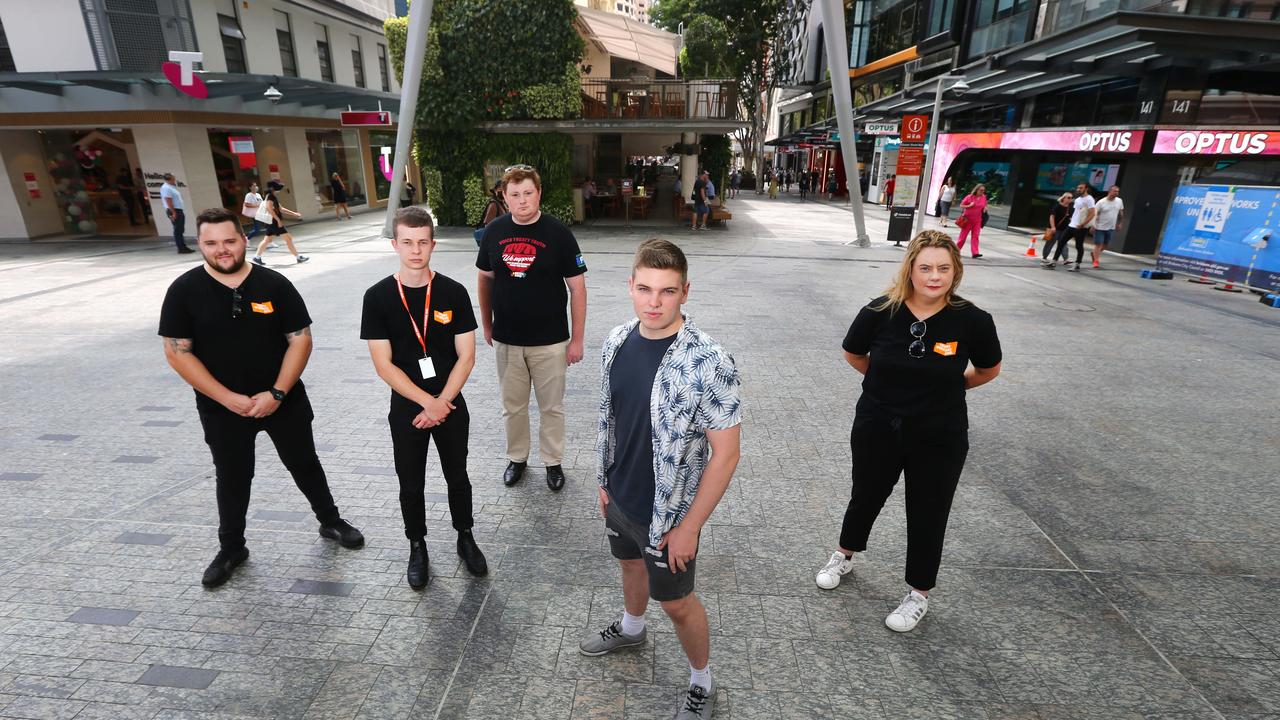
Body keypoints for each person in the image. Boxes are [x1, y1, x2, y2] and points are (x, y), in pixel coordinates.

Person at [159, 207, 364, 588]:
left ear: (244, 239)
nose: (222, 250)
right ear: (200, 244)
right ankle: (232, 547)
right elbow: (177, 352)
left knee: (304, 463)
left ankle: (330, 521)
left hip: (283, 400)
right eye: (211, 243)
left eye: (229, 241)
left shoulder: (274, 284)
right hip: (222, 409)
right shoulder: (184, 291)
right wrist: (228, 399)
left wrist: (277, 393)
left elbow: (300, 339)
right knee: (233, 476)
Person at [579, 239, 741, 720]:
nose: (654, 302)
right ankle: (632, 627)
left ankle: (702, 681)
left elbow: (726, 454)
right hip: (619, 497)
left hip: (668, 516)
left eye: (667, 291)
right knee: (629, 566)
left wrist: (688, 527)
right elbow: (613, 418)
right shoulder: (616, 341)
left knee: (677, 603)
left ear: (685, 292)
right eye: (645, 288)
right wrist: (603, 480)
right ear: (630, 286)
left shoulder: (710, 361)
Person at [815, 230, 1001, 632]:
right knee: (865, 494)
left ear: (956, 271)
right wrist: (886, 385)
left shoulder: (973, 320)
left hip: (941, 433)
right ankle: (843, 556)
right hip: (878, 424)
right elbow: (853, 353)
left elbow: (988, 369)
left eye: (944, 268)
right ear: (910, 270)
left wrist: (949, 388)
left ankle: (919, 594)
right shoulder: (881, 311)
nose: (934, 276)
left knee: (929, 510)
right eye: (925, 268)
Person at [362, 207, 487, 589]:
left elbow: (467, 355)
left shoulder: (453, 291)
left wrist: (442, 402)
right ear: (395, 244)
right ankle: (417, 545)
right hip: (407, 406)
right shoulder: (378, 297)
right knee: (410, 481)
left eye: (422, 242)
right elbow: (384, 365)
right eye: (407, 243)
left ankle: (465, 536)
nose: (416, 250)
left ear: (433, 243)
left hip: (450, 402)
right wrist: (426, 403)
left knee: (457, 475)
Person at [476, 165, 588, 492]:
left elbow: (577, 289)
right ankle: (517, 459)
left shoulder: (559, 234)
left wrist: (577, 339)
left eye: (528, 193)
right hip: (508, 340)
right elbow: (484, 279)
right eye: (515, 195)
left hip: (550, 341)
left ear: (539, 193)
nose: (522, 201)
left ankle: (553, 462)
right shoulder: (494, 232)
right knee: (513, 406)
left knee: (551, 406)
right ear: (504, 197)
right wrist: (487, 324)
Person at [252, 181, 306, 266]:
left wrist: (294, 214)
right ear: (273, 188)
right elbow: (269, 209)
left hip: (271, 222)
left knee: (267, 240)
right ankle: (298, 257)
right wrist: (278, 220)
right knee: (288, 239)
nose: (279, 189)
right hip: (274, 222)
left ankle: (257, 257)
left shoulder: (271, 196)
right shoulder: (270, 197)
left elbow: (281, 208)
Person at [1063, 183, 1096, 272]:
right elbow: (1076, 212)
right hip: (1072, 225)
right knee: (1061, 241)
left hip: (1081, 227)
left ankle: (1077, 265)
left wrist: (1083, 224)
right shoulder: (1077, 199)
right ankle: (1053, 261)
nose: (1078, 189)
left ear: (1086, 189)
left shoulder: (1089, 199)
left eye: (1081, 188)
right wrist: (1071, 219)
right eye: (1078, 188)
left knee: (1079, 245)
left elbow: (1092, 213)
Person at [160, 173, 195, 254]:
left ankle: (183, 246)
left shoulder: (171, 187)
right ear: (169, 179)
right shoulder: (166, 188)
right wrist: (173, 212)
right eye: (173, 178)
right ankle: (181, 247)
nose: (174, 180)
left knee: (180, 229)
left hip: (177, 210)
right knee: (178, 229)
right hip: (174, 210)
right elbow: (168, 200)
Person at [1091, 185, 1124, 269]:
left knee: (1105, 245)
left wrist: (1120, 223)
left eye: (1117, 191)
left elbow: (1121, 212)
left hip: (1111, 227)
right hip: (1099, 227)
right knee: (1098, 244)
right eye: (1115, 191)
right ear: (1110, 191)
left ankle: (1094, 254)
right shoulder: (1101, 202)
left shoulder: (1119, 201)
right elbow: (1094, 214)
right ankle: (1096, 261)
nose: (1117, 193)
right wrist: (1093, 225)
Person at [955, 184, 987, 259]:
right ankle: (956, 251)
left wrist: (985, 208)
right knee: (962, 237)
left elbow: (985, 205)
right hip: (967, 220)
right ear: (976, 190)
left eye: (983, 190)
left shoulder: (983, 197)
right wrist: (969, 206)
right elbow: (961, 205)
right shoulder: (969, 197)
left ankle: (975, 253)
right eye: (981, 190)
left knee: (975, 236)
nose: (982, 192)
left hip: (977, 220)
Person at [1042, 193, 1074, 266]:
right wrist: (1053, 227)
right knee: (1050, 243)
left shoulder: (1070, 208)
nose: (1070, 199)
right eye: (1068, 197)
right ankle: (1044, 257)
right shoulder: (1057, 206)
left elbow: (1071, 218)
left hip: (1064, 229)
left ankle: (1066, 259)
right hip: (1054, 229)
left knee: (1064, 244)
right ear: (1063, 198)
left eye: (1071, 198)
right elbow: (1052, 217)